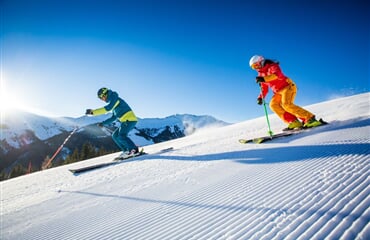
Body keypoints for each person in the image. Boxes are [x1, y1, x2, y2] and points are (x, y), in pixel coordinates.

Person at [249, 55, 322, 130]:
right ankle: (293, 122)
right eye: (253, 67)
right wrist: (260, 97)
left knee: (286, 104)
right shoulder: (260, 75)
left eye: (256, 65)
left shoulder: (272, 66)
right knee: (273, 105)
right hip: (278, 92)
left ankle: (310, 119)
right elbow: (264, 89)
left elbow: (277, 75)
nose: (256, 68)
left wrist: (264, 79)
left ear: (261, 61)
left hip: (288, 87)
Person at [85, 87, 139, 155]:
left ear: (105, 94)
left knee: (121, 136)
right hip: (126, 121)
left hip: (129, 120)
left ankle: (134, 150)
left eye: (101, 97)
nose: (102, 100)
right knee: (115, 136)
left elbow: (108, 108)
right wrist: (103, 123)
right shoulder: (114, 104)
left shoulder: (115, 98)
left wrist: (93, 112)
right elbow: (113, 118)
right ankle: (126, 151)